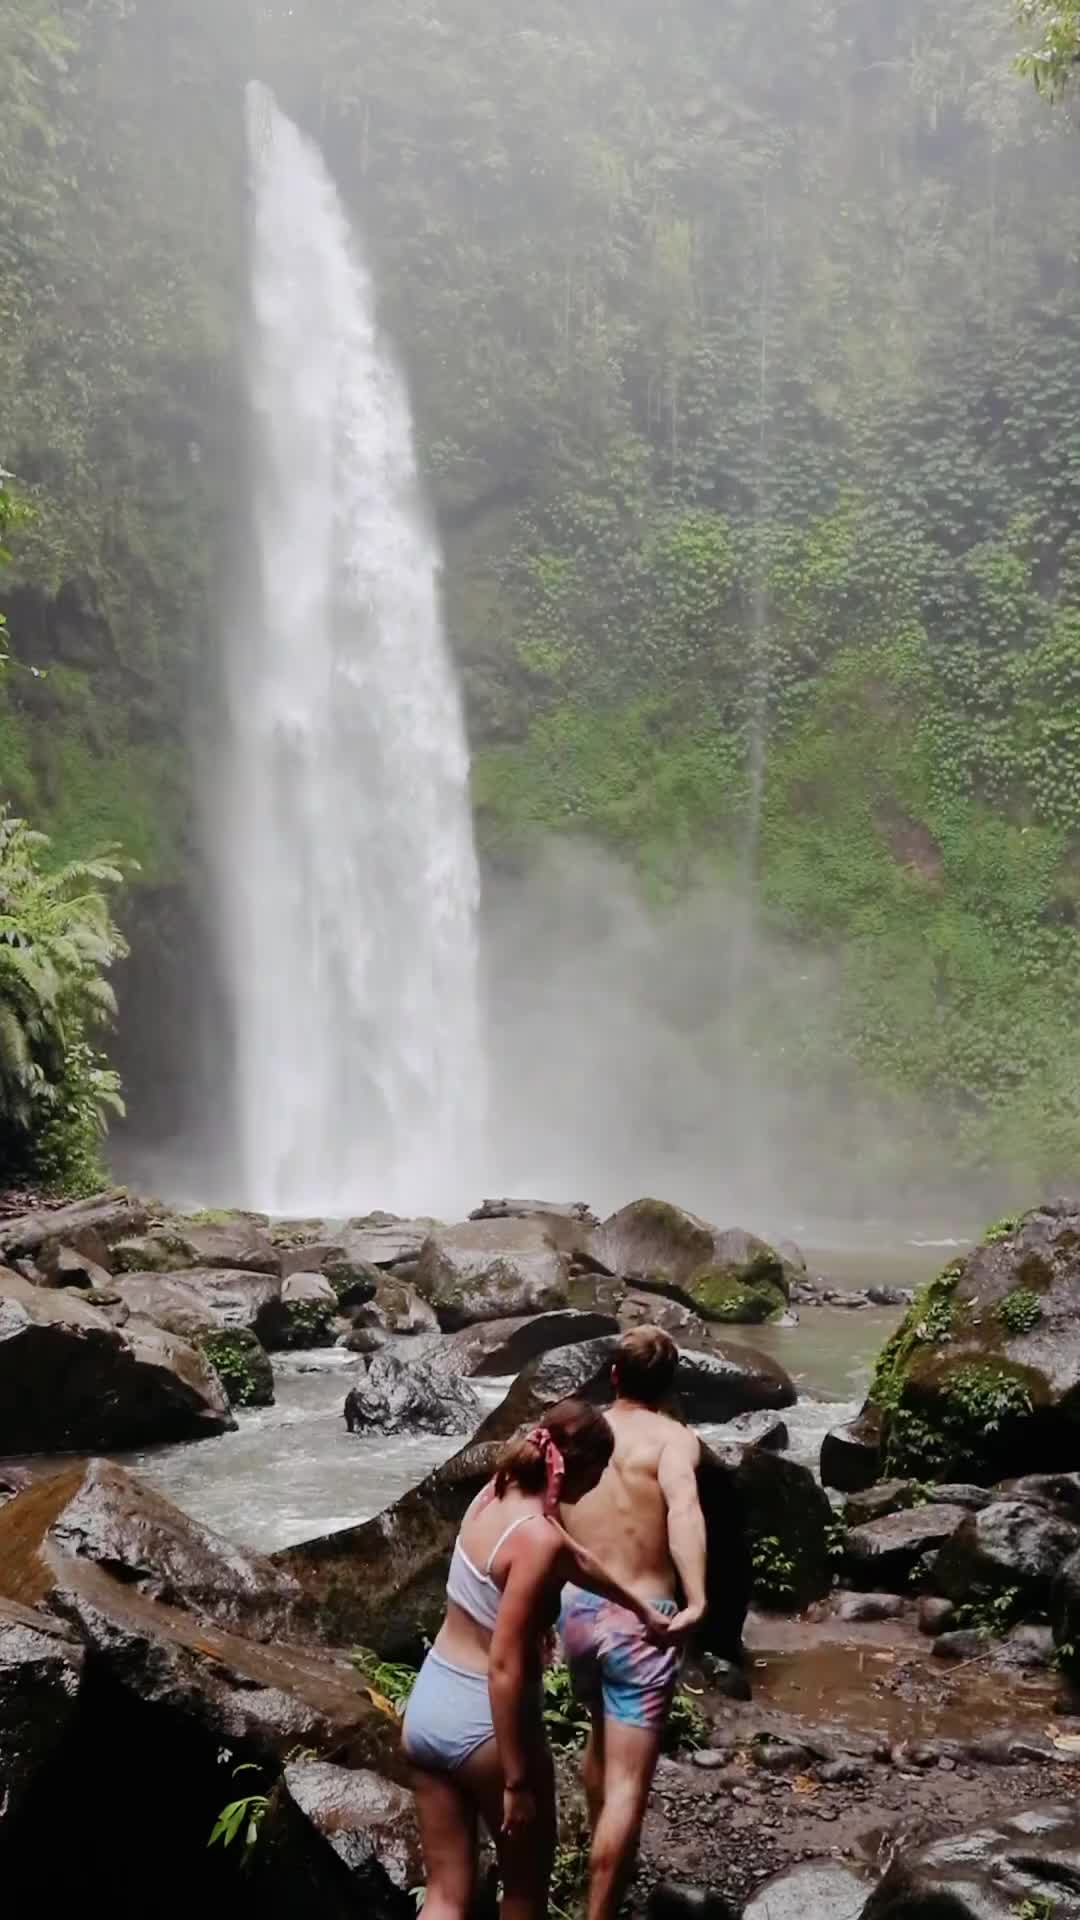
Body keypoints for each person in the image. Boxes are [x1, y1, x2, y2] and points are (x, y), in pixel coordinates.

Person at [401, 1396, 676, 1920]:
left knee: (445, 1896)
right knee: (524, 1895)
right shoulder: (536, 1539)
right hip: (484, 1726)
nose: (594, 1488)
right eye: (596, 1474)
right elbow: (505, 1665)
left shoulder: (493, 1493)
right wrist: (518, 1781)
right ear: (582, 1468)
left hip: (430, 1704)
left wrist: (641, 1609)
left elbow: (577, 1559)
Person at [558, 1327, 707, 1920]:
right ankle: (600, 1910)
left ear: (613, 1376)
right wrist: (696, 1599)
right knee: (629, 1786)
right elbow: (685, 1509)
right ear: (670, 1385)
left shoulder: (576, 1432)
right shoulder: (674, 1439)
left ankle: (600, 1846)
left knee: (600, 1726)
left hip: (577, 1609)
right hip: (639, 1623)